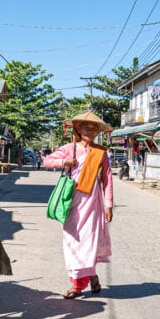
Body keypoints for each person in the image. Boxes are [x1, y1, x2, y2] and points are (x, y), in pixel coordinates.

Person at [43, 111, 114, 299]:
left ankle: (77, 285)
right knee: (73, 242)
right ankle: (90, 277)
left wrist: (108, 205)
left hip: (93, 202)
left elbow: (107, 179)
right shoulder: (69, 148)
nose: (90, 131)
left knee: (88, 243)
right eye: (86, 127)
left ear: (98, 131)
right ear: (78, 128)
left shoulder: (101, 152)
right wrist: (63, 161)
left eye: (94, 128)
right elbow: (47, 161)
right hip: (72, 201)